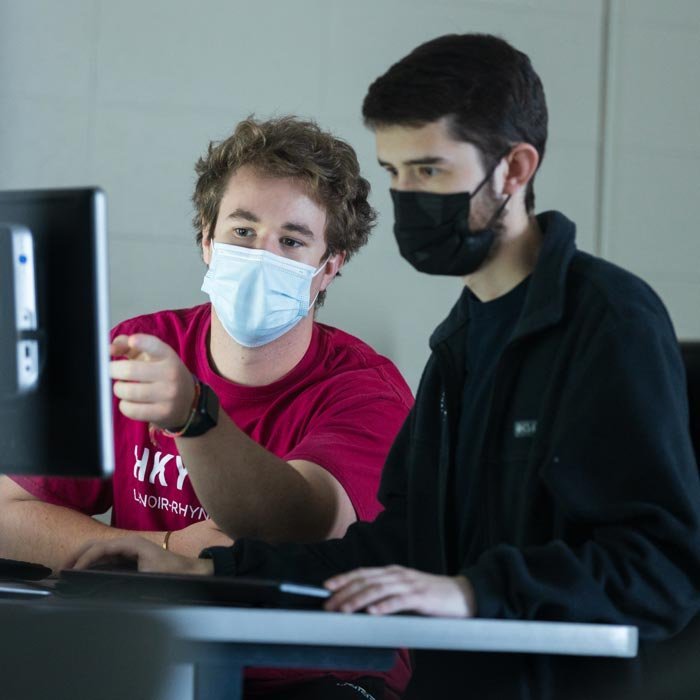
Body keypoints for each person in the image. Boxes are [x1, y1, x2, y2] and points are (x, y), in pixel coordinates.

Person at [71, 34, 700, 700]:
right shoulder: (461, 341)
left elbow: (662, 569)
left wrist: (470, 592)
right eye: (395, 172)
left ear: (514, 170)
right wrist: (198, 573)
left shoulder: (608, 321)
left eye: (429, 171)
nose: (407, 198)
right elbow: (391, 553)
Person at [0, 116, 413, 699]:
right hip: (152, 658)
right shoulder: (137, 348)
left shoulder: (365, 390)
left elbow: (301, 527)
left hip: (314, 673)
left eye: (292, 241)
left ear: (330, 266)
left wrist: (191, 415)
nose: (261, 254)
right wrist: (154, 559)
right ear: (205, 239)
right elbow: (6, 512)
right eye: (242, 231)